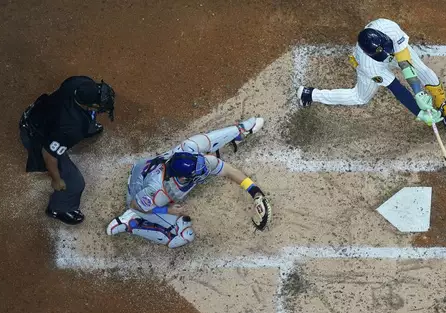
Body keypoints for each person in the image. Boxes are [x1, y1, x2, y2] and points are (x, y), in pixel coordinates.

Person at [106, 117, 272, 248]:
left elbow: (228, 170)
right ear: (183, 178)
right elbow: (136, 204)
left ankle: (241, 131)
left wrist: (254, 191)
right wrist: (167, 210)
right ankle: (130, 223)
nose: (206, 163)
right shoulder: (159, 193)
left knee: (202, 143)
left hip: (145, 169)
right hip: (137, 194)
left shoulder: (189, 149)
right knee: (184, 236)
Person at [297, 18, 446, 130]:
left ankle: (444, 103)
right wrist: (419, 112)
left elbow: (404, 63)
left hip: (395, 47)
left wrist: (418, 91)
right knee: (360, 97)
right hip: (374, 66)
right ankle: (310, 94)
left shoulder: (388, 27)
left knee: (421, 70)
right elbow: (397, 88)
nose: (389, 56)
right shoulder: (369, 65)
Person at [19, 76, 116, 224]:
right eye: (99, 104)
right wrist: (57, 180)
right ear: (89, 105)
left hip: (42, 113)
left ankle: (88, 125)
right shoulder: (71, 129)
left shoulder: (80, 82)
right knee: (75, 183)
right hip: (36, 134)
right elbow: (48, 154)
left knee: (86, 122)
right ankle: (59, 209)